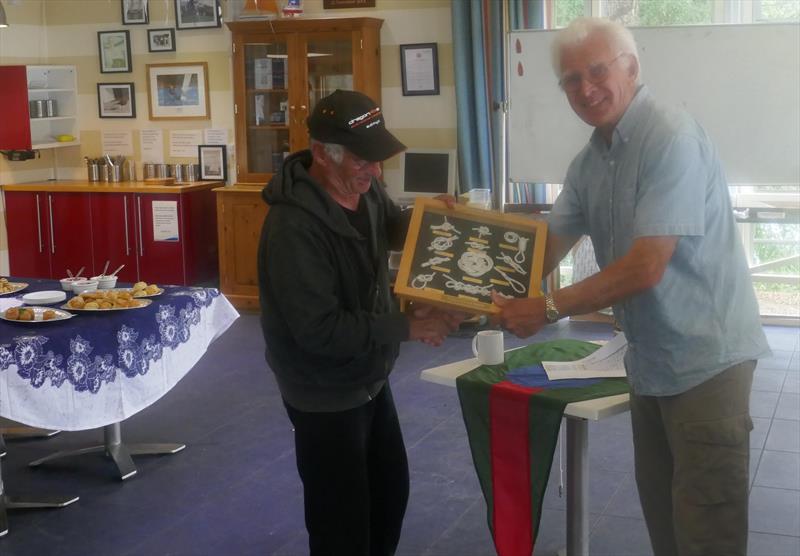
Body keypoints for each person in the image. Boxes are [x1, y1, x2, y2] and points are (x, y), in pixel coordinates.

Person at [492, 18, 770, 556]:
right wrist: (459, 255)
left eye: (598, 71)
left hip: (707, 362)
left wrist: (546, 307)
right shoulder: (590, 161)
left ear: (633, 68)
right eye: (571, 80)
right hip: (649, 363)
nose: (586, 89)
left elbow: (646, 266)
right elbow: (541, 250)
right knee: (666, 526)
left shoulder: (671, 137)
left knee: (707, 532)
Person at [257, 89, 464, 556]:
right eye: (362, 161)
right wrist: (407, 326)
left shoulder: (362, 191)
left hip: (367, 375)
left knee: (390, 495)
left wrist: (431, 219)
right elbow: (320, 332)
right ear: (322, 156)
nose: (374, 170)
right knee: (342, 524)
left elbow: (392, 223)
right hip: (323, 391)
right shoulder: (293, 230)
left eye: (377, 159)